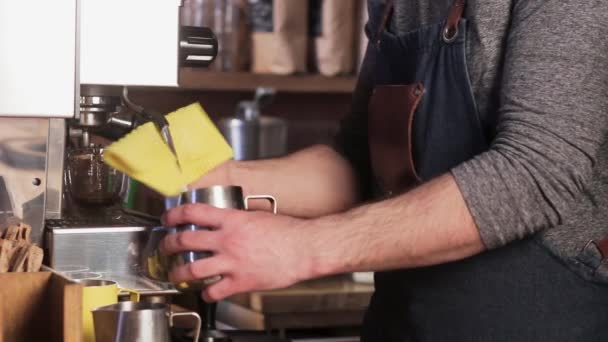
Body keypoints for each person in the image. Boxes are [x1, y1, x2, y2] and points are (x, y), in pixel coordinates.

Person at [161, 0, 608, 340]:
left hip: (532, 321)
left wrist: (303, 247)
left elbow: (536, 171)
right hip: (403, 323)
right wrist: (214, 178)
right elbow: (356, 164)